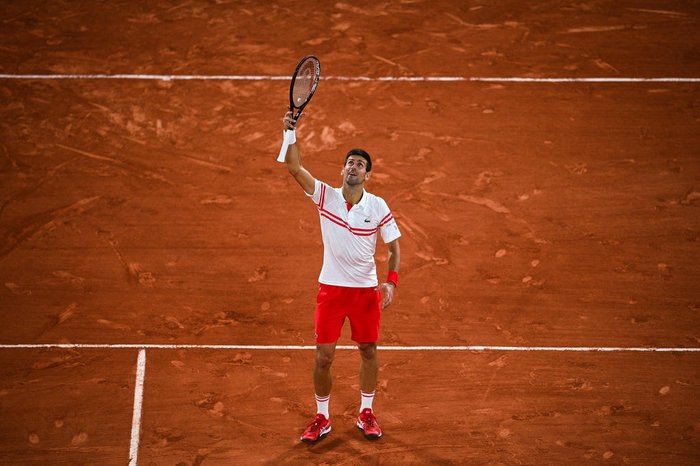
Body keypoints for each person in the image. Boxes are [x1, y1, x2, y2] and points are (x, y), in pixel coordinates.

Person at [280, 111, 401, 443]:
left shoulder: (377, 206)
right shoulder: (326, 197)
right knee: (323, 356)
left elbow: (393, 247)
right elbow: (294, 168)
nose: (354, 166)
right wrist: (290, 133)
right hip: (331, 291)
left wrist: (390, 281)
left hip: (364, 293)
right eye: (350, 162)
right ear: (342, 170)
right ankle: (322, 417)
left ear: (367, 175)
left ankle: (366, 413)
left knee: (368, 350)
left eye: (360, 164)